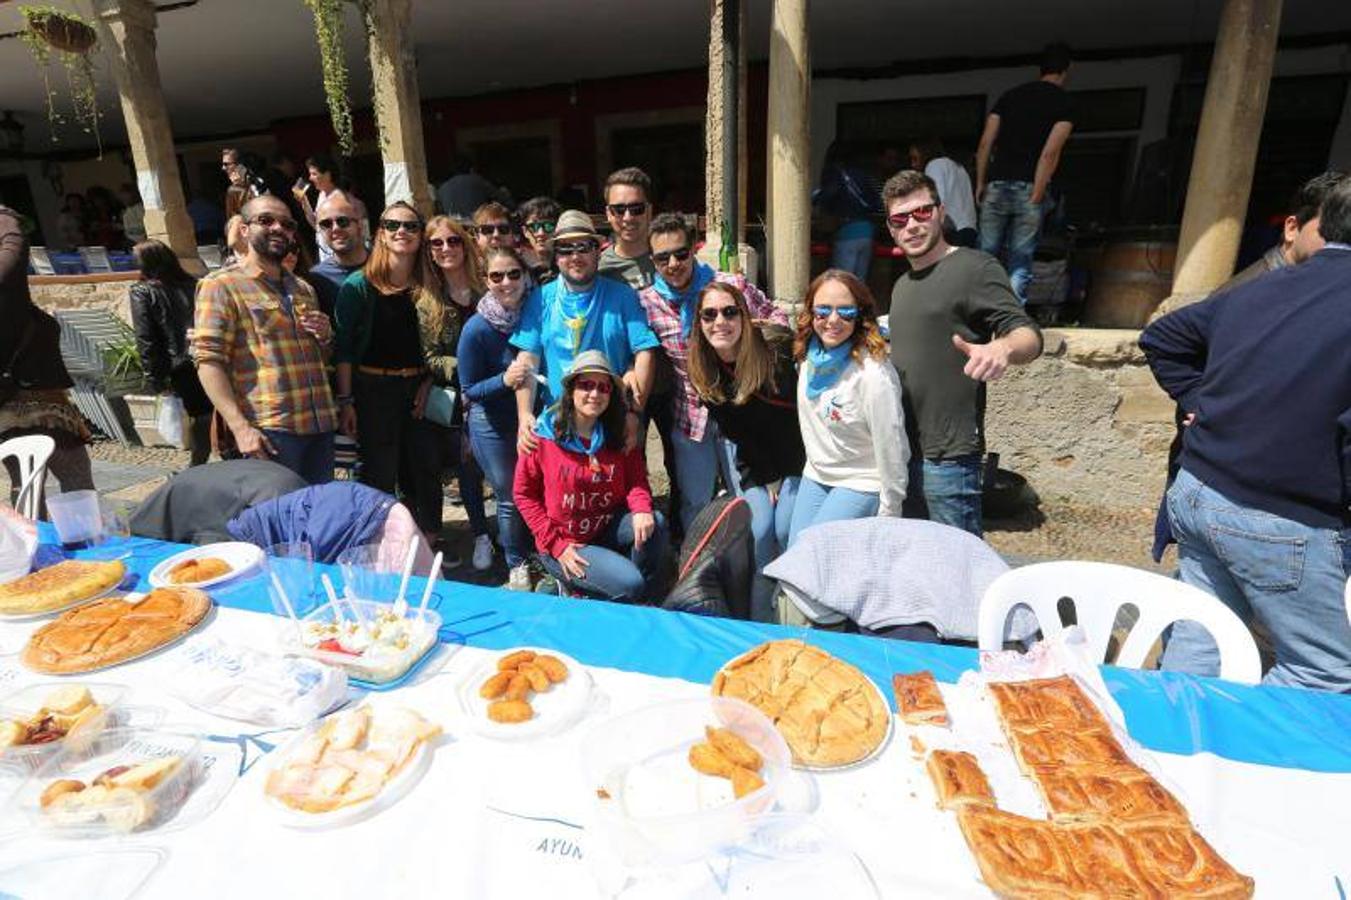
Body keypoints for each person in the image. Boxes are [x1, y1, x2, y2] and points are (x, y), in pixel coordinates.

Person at [1139, 178, 1351, 693]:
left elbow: (1161, 336)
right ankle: (1253, 762)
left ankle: (1174, 751)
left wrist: (1199, 404)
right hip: (1278, 514)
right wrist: (1199, 400)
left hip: (1198, 491)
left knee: (1200, 641)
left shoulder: (1265, 283)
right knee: (1321, 671)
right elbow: (1164, 339)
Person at [1148, 170, 1347, 564]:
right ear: (1293, 228)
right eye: (1333, 232)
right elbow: (1166, 341)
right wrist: (1199, 402)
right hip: (1234, 483)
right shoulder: (1251, 290)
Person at [885, 170, 1042, 536]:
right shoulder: (901, 284)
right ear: (891, 229)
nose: (912, 225)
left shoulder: (973, 266)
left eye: (921, 213)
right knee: (916, 562)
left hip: (949, 456)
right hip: (903, 451)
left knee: (958, 571)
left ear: (941, 211)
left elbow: (1028, 335)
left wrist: (1003, 347)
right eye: (899, 219)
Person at [636, 212, 788, 534]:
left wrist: (755, 341)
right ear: (653, 260)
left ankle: (746, 565)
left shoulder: (730, 287)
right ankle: (699, 567)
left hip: (741, 409)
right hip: (691, 418)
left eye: (680, 253)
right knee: (695, 502)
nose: (673, 263)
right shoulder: (647, 303)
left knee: (747, 497)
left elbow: (776, 317)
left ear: (693, 248)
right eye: (663, 257)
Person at [193, 195, 338, 484]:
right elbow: (208, 361)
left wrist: (324, 337)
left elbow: (321, 358)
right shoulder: (221, 285)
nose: (278, 228)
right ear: (244, 229)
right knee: (276, 520)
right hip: (271, 431)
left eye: (286, 224)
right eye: (265, 220)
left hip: (319, 426)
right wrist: (240, 428)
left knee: (316, 520)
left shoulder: (303, 288)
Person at [687, 281, 804, 622]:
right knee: (760, 530)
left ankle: (790, 605)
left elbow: (799, 423)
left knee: (784, 529)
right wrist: (768, 479)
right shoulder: (705, 371)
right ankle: (756, 617)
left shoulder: (776, 353)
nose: (719, 321)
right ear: (700, 323)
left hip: (799, 459)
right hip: (757, 462)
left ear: (744, 316)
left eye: (729, 312)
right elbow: (739, 435)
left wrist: (783, 480)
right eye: (709, 314)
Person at [514, 351, 666, 603]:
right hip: (565, 542)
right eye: (586, 385)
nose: (595, 394)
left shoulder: (617, 433)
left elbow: (636, 479)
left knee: (655, 523)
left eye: (603, 387)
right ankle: (572, 586)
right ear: (571, 390)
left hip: (605, 527)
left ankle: (640, 601)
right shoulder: (542, 437)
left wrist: (640, 507)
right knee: (630, 584)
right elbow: (523, 494)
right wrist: (556, 545)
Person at [510, 209, 659, 454]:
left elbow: (644, 351)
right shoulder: (540, 299)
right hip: (558, 420)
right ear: (556, 257)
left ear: (597, 251)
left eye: (583, 247)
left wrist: (634, 413)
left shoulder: (622, 296)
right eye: (566, 250)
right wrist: (524, 414)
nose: (575, 256)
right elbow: (528, 360)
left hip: (613, 420)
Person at [333, 201, 441, 538]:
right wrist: (346, 399)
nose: (401, 232)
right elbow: (345, 349)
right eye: (392, 225)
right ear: (379, 232)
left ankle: (429, 540)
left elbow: (441, 345)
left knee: (423, 468)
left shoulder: (430, 283)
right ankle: (379, 539)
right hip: (373, 388)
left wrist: (429, 381)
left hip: (418, 388)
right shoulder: (359, 286)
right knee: (380, 469)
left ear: (421, 235)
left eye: (410, 226)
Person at [788, 270, 907, 548]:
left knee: (814, 552)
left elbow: (893, 444)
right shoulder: (806, 357)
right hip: (818, 473)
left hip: (862, 479)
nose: (833, 320)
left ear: (861, 315)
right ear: (811, 312)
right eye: (823, 310)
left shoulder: (873, 374)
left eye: (846, 311)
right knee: (793, 551)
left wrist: (891, 509)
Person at [0, 204, 95, 503]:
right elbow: (11, 263)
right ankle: (83, 542)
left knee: (27, 488)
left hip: (14, 399)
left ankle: (32, 546)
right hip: (30, 399)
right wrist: (8, 221)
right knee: (70, 482)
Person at [458, 245, 535, 590]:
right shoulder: (477, 328)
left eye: (514, 273)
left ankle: (534, 552)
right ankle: (515, 563)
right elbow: (469, 388)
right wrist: (504, 380)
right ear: (485, 280)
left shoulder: (537, 313)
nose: (506, 282)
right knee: (509, 494)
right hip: (491, 422)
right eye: (496, 276)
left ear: (526, 275)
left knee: (534, 489)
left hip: (531, 417)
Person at [975, 42, 1074, 305]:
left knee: (986, 255)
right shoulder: (1064, 103)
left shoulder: (1009, 97)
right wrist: (1039, 190)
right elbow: (1050, 153)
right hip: (1030, 186)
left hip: (996, 184)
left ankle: (978, 312)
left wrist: (981, 182)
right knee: (1020, 258)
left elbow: (985, 143)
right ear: (1066, 71)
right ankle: (1010, 321)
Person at [424, 214, 492, 569]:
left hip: (500, 387)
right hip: (459, 398)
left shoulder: (489, 284)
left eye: (452, 240)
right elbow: (430, 358)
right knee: (467, 466)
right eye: (437, 243)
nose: (446, 248)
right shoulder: (427, 299)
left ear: (464, 243)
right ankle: (480, 533)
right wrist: (467, 368)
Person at [129, 240, 213, 466]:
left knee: (200, 415)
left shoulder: (143, 291)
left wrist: (154, 377)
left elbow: (145, 338)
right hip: (204, 356)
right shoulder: (194, 284)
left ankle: (198, 465)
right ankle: (216, 458)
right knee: (212, 412)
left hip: (179, 365)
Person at [815, 141, 882, 281]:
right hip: (867, 232)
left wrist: (814, 197)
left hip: (846, 232)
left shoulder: (835, 172)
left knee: (843, 283)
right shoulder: (863, 174)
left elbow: (828, 195)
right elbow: (877, 203)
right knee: (859, 285)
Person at [304, 190, 369, 318]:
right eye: (326, 224)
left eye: (343, 221)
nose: (335, 229)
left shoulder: (385, 265)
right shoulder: (316, 279)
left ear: (360, 225)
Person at [910, 138, 977, 248]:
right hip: (969, 228)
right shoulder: (959, 167)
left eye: (915, 159)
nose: (913, 165)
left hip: (952, 230)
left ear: (924, 154)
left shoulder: (934, 165)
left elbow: (935, 199)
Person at [598, 167, 657, 290]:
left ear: (649, 211)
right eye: (618, 210)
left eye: (637, 209)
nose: (628, 218)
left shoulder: (670, 259)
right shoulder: (597, 269)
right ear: (608, 214)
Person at [294, 153, 343, 262]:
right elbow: (317, 225)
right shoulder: (322, 195)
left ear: (327, 174)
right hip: (325, 253)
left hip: (337, 256)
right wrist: (304, 201)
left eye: (314, 174)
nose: (310, 178)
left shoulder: (338, 198)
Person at [437, 153, 498, 219]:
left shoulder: (443, 187)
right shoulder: (479, 181)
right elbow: (501, 199)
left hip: (454, 226)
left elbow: (440, 211)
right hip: (475, 225)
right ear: (471, 168)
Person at [517, 195, 560, 283]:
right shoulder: (517, 267)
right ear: (525, 231)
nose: (541, 233)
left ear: (558, 229)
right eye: (534, 227)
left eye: (548, 226)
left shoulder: (569, 264)